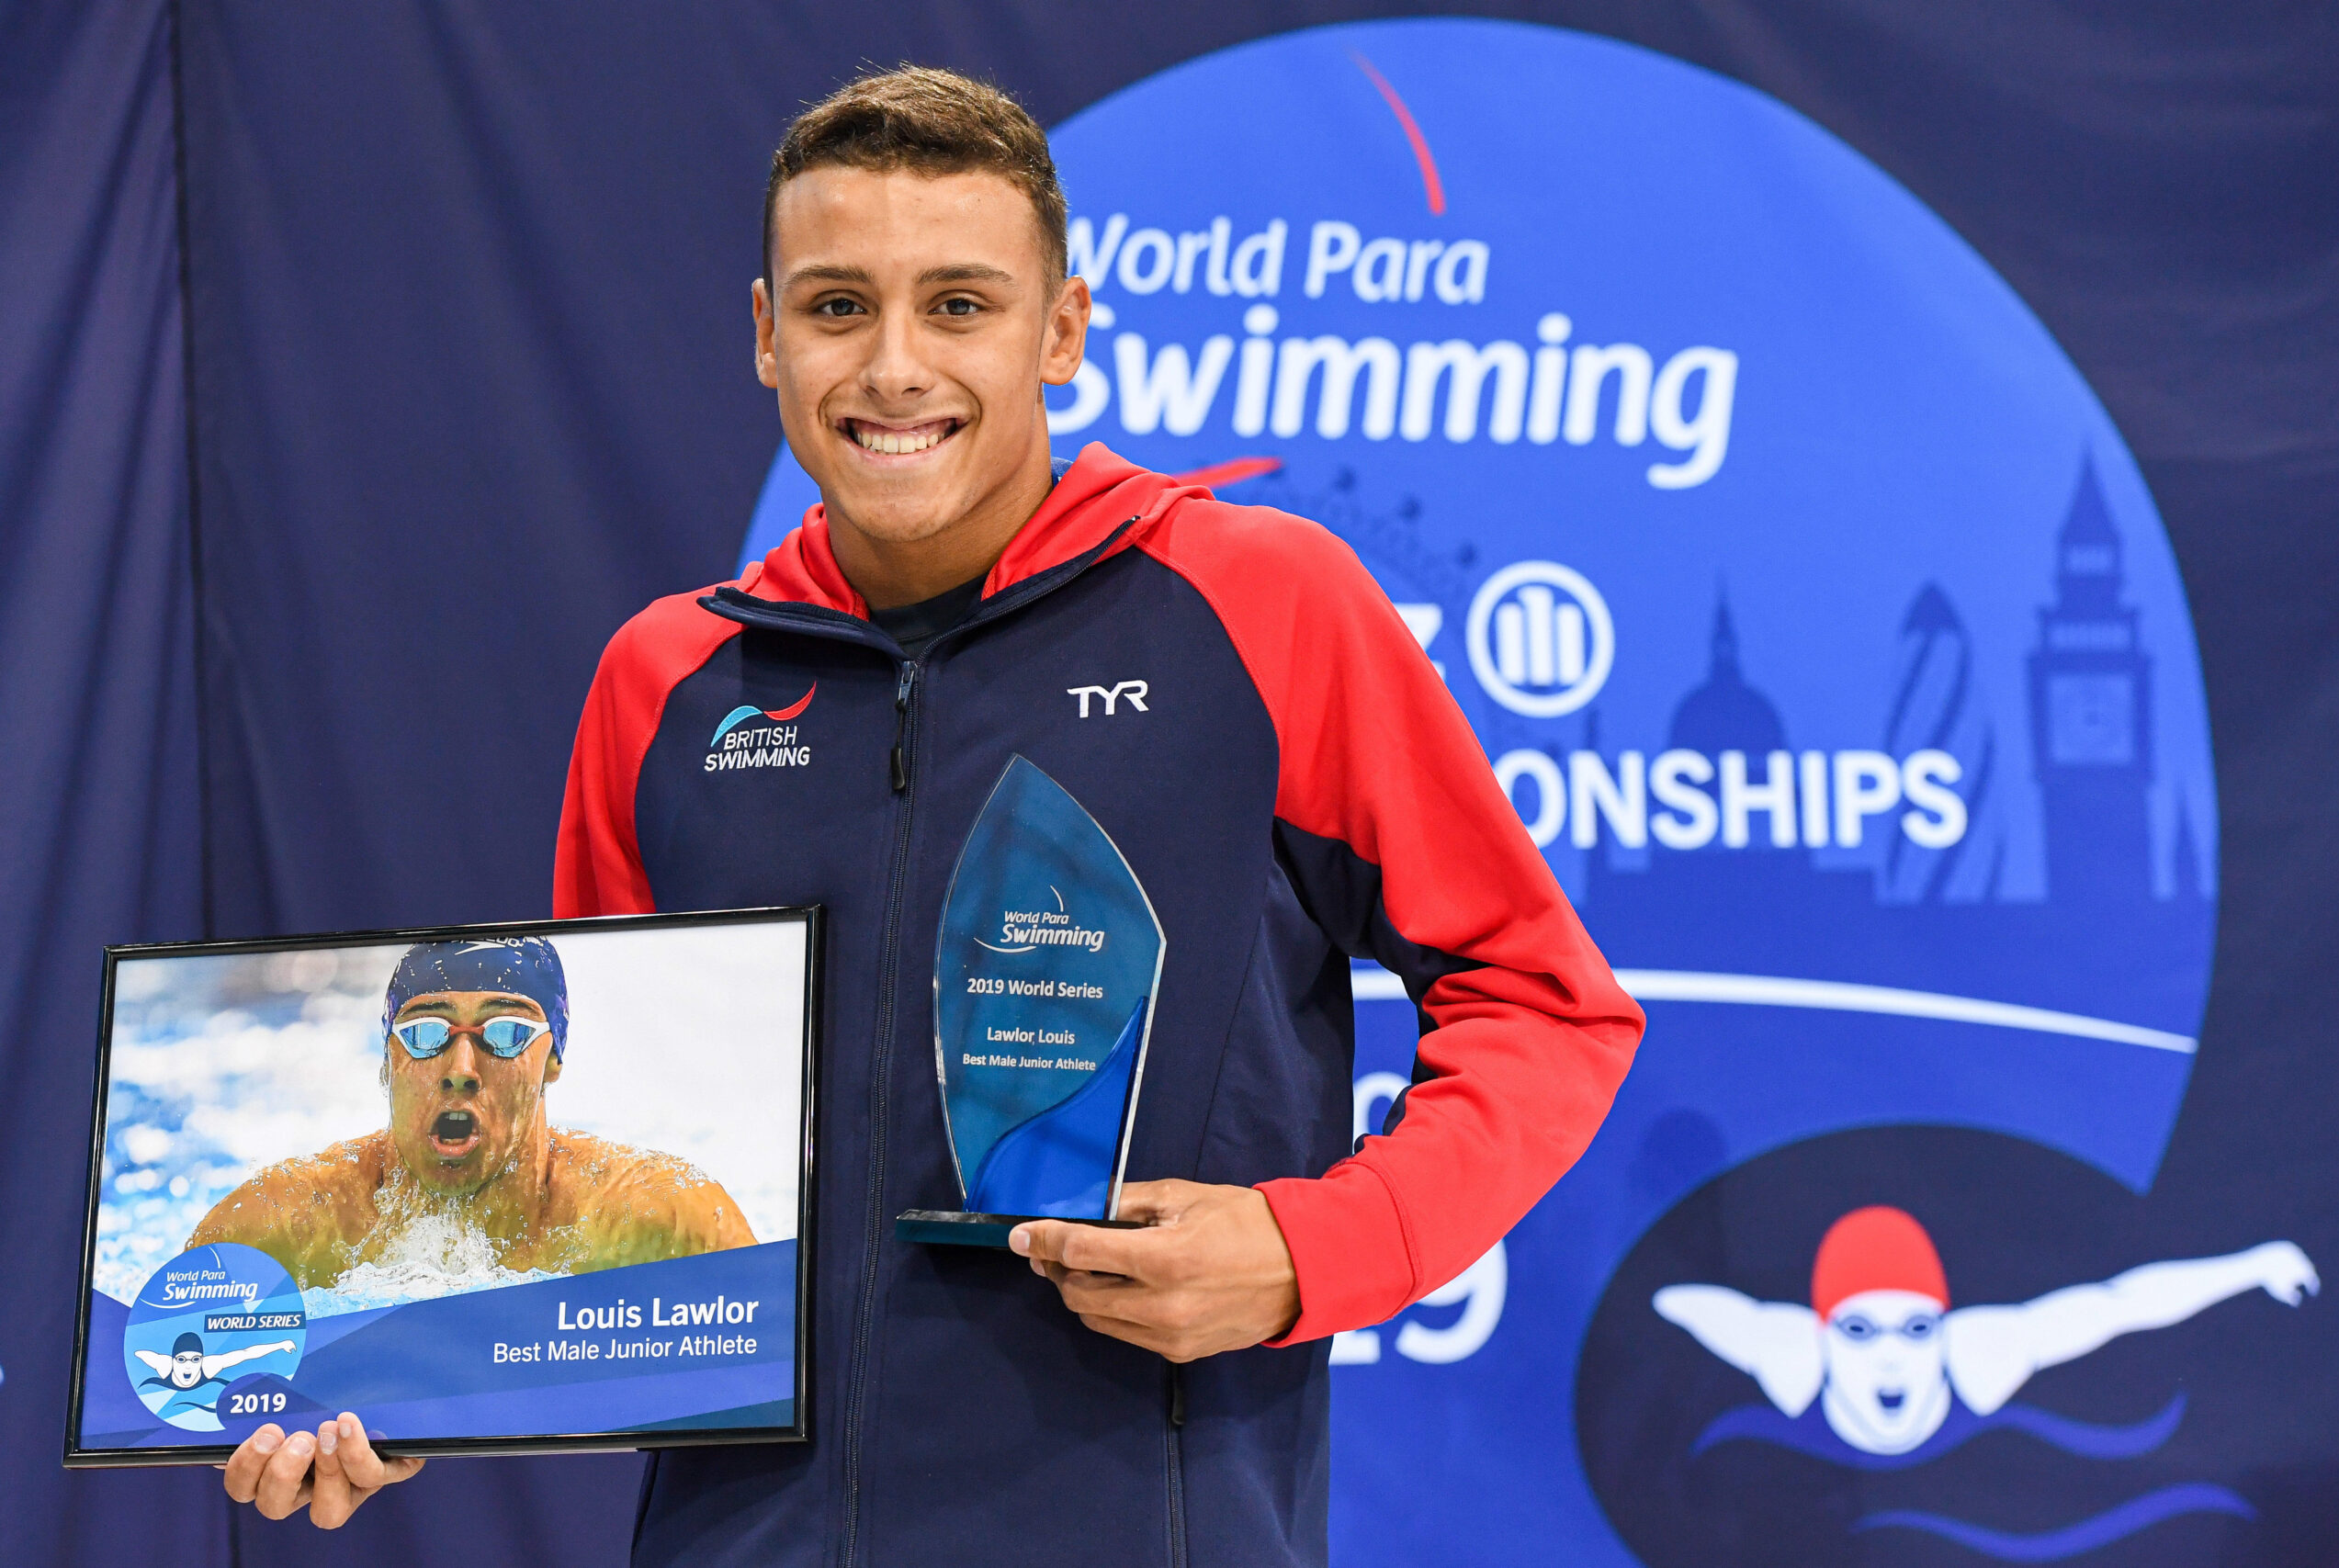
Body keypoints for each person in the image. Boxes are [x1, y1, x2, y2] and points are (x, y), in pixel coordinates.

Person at [221, 66, 1644, 1557]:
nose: (896, 367)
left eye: (959, 304)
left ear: (1064, 332)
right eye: (838, 306)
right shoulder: (669, 679)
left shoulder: (1262, 607)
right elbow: (570, 1149)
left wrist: (1311, 1247)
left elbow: (1549, 1005)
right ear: (767, 338)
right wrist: (388, 1371)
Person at [190, 937, 753, 1289]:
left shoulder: (660, 1224)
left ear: (552, 1058)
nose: (460, 1066)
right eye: (426, 1032)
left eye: (505, 1032)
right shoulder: (275, 1230)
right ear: (388, 1059)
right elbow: (153, 1393)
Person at [1655, 1204, 2322, 1456]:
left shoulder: (1984, 1353)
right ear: (1823, 1332)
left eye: (1916, 1327)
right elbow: (1689, 1303)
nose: (1890, 1355)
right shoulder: (1786, 1354)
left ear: (1946, 1329)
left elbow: (2120, 1302)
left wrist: (2251, 1265)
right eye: (1860, 1329)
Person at [132, 1332, 298, 1420]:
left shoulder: (210, 1366)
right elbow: (140, 1352)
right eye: (181, 1359)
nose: (188, 1365)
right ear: (174, 1360)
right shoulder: (163, 1365)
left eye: (195, 1359)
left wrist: (280, 1345)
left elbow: (246, 1354)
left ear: (202, 1359)